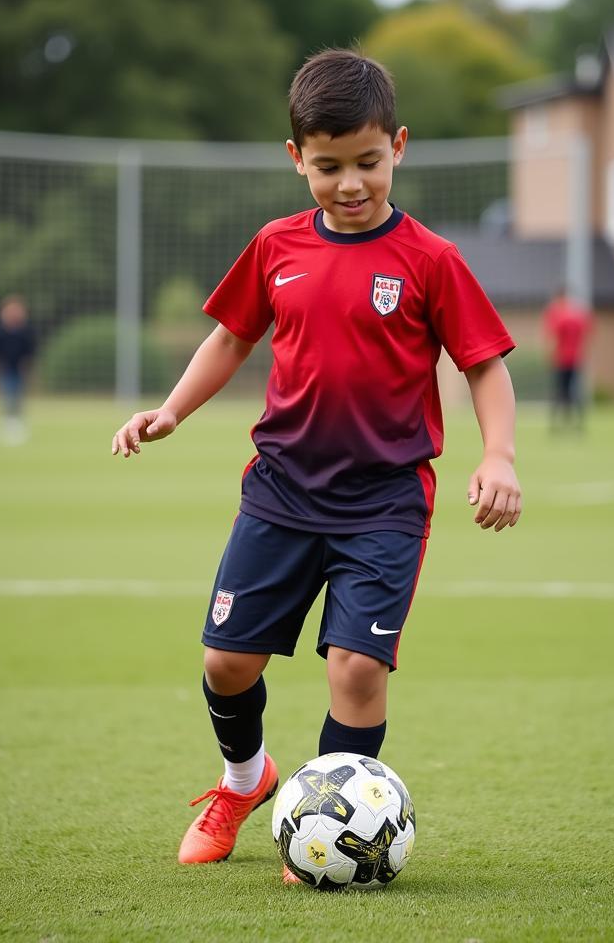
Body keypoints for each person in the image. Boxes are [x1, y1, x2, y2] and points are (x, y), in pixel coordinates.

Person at [111, 49, 521, 880]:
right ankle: (245, 780)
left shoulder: (430, 260)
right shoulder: (275, 247)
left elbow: (483, 363)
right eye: (328, 166)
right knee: (226, 663)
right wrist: (171, 411)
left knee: (357, 668)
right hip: (282, 492)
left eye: (367, 162)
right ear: (296, 158)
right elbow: (230, 337)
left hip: (384, 502)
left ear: (397, 146)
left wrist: (500, 455)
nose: (350, 184)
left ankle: (327, 835)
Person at [542, 286, 593, 432]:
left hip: (561, 359)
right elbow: (587, 334)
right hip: (576, 359)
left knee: (559, 392)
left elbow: (552, 338)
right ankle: (577, 425)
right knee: (574, 391)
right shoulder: (579, 314)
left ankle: (556, 425)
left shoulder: (556, 314)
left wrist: (548, 356)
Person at [0, 294, 35, 445]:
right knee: (8, 396)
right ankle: (6, 424)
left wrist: (27, 367)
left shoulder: (25, 330)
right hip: (6, 369)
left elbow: (30, 351)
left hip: (20, 369)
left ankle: (18, 424)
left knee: (18, 398)